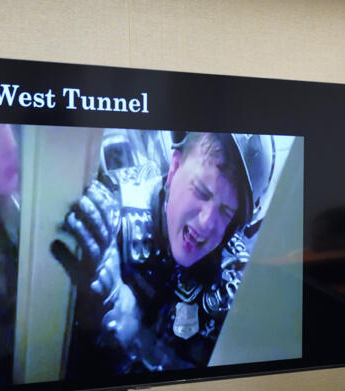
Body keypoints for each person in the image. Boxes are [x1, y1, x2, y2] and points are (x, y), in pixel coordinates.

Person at [52, 130, 273, 376]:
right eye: (201, 191)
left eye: (225, 211)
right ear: (175, 168)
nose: (206, 222)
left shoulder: (232, 277)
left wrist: (132, 328)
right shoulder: (112, 217)